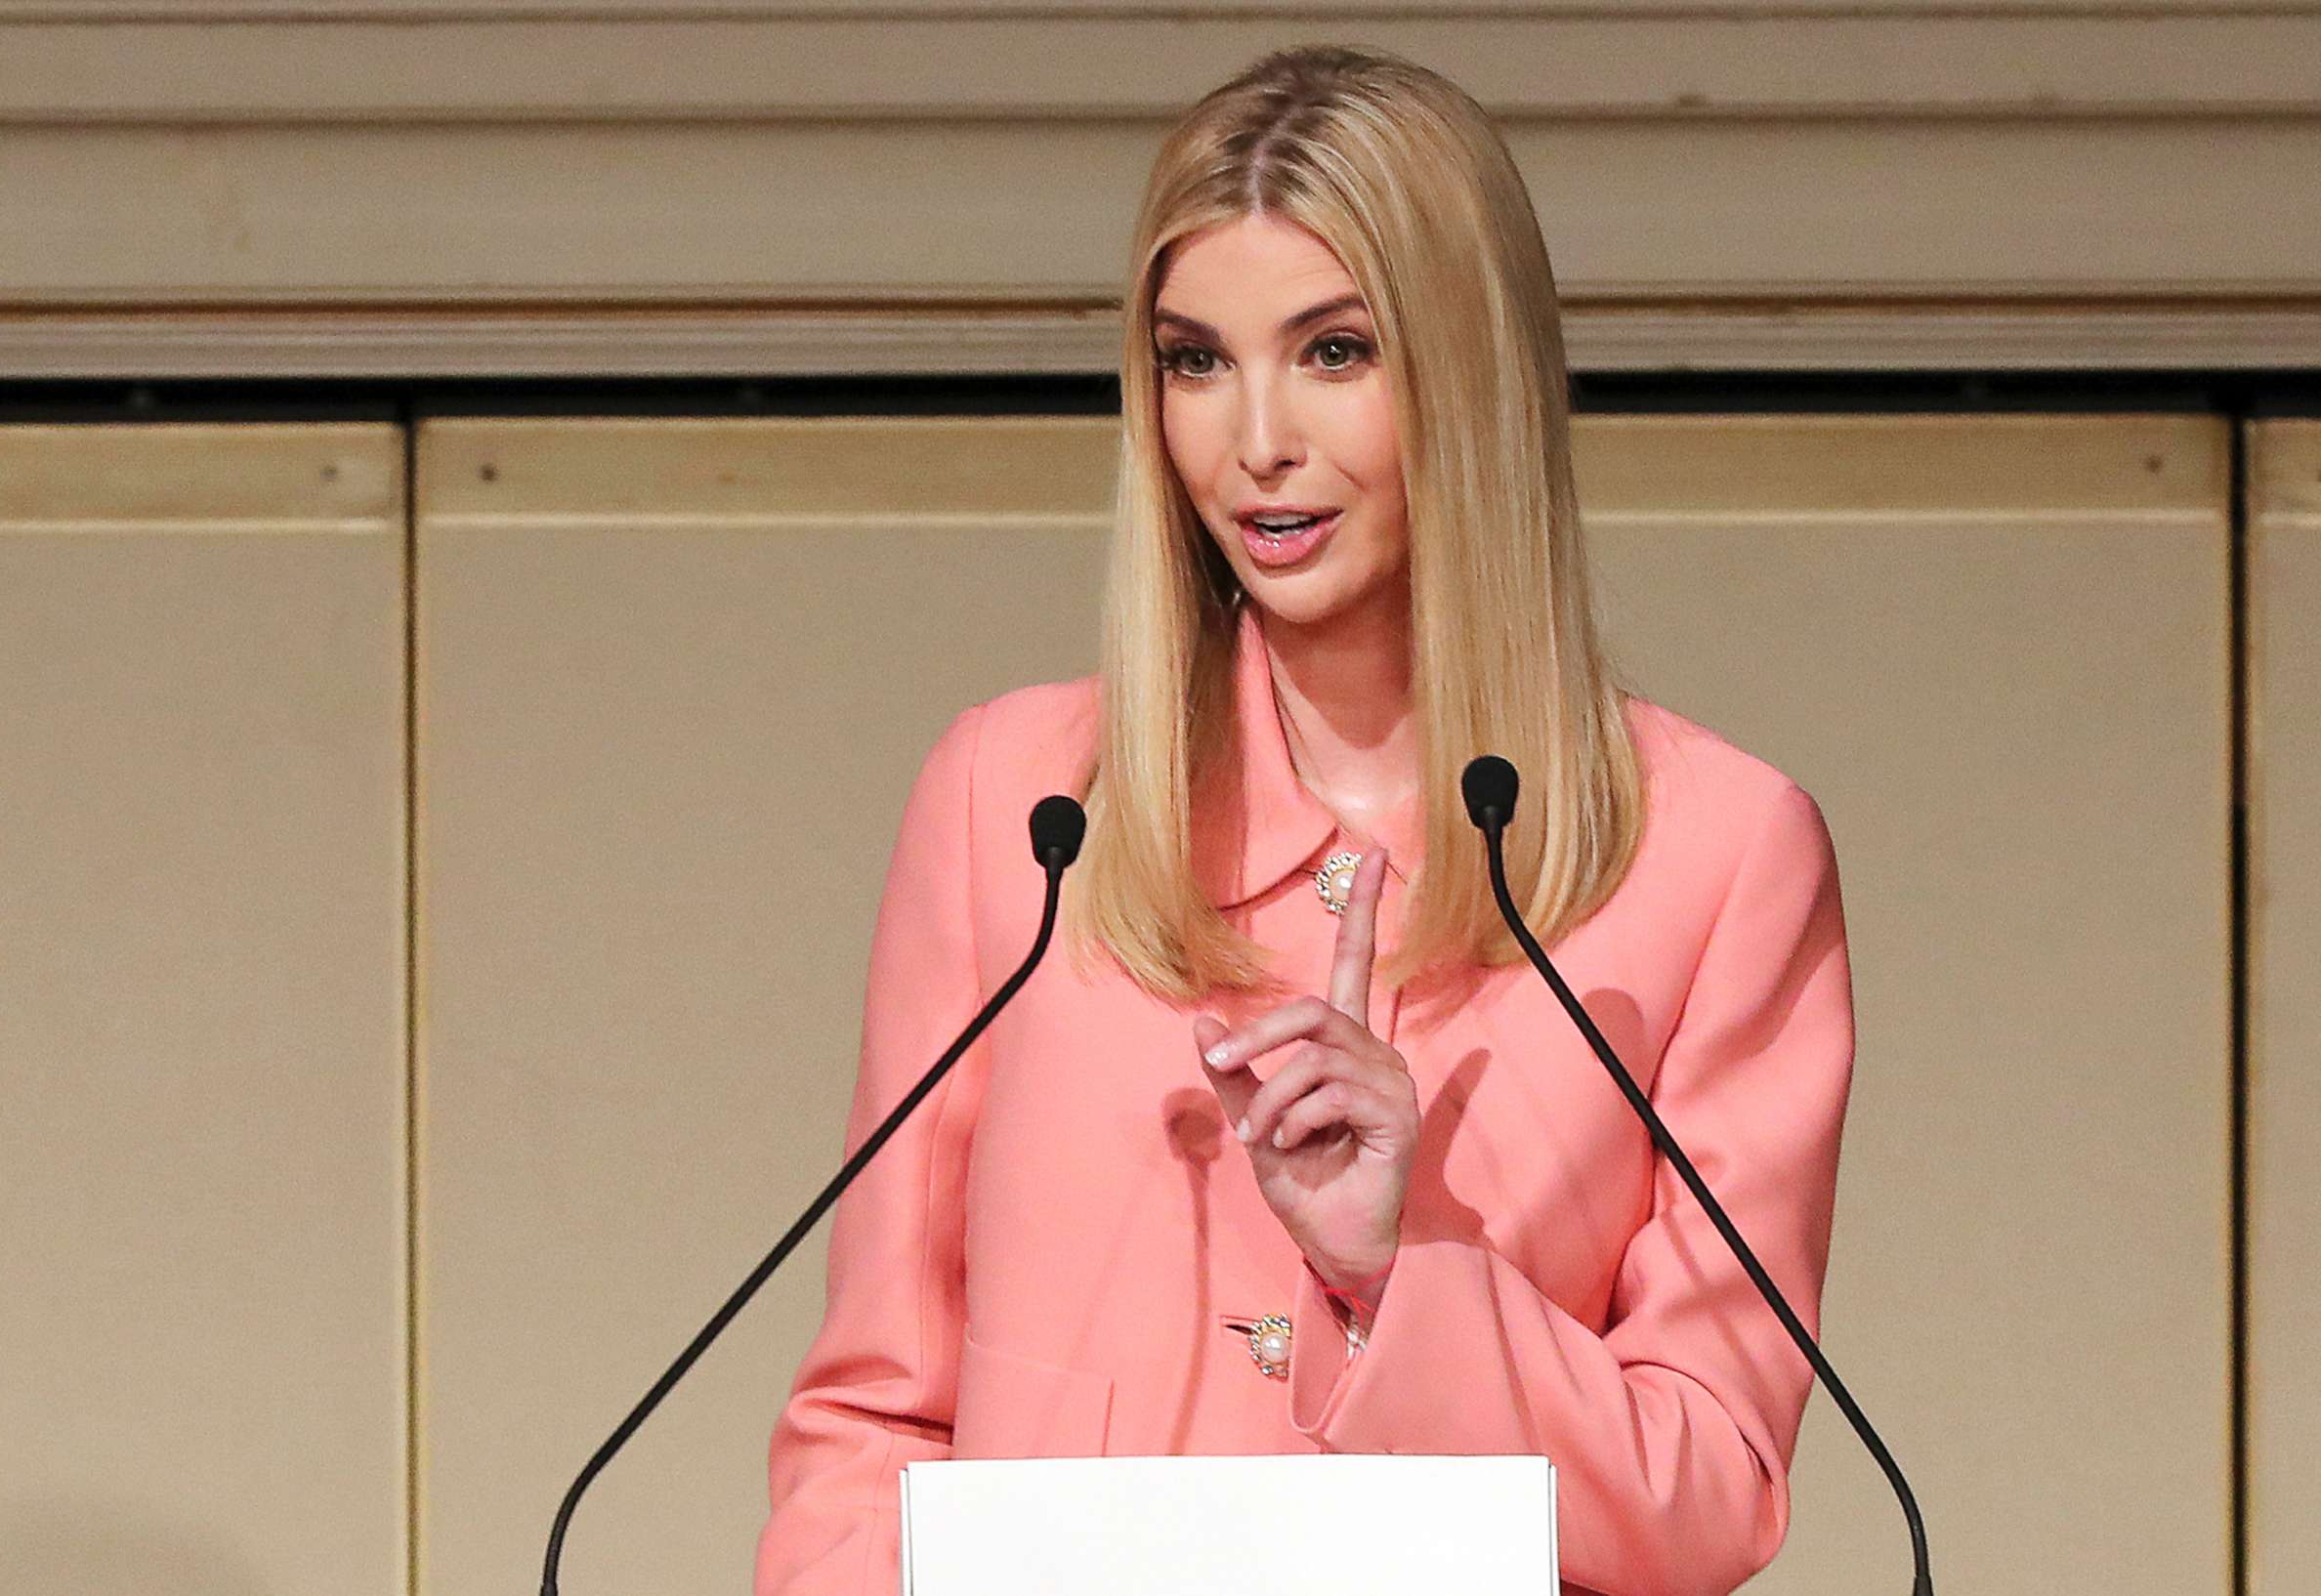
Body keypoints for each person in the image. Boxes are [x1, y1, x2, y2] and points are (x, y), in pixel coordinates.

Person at [755, 44, 1853, 1596]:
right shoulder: (1019, 804)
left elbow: (1711, 1489)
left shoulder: (1721, 856)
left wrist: (1390, 1273)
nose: (1253, 437)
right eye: (1196, 360)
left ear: (1466, 372)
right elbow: (871, 1421)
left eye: (1333, 352)